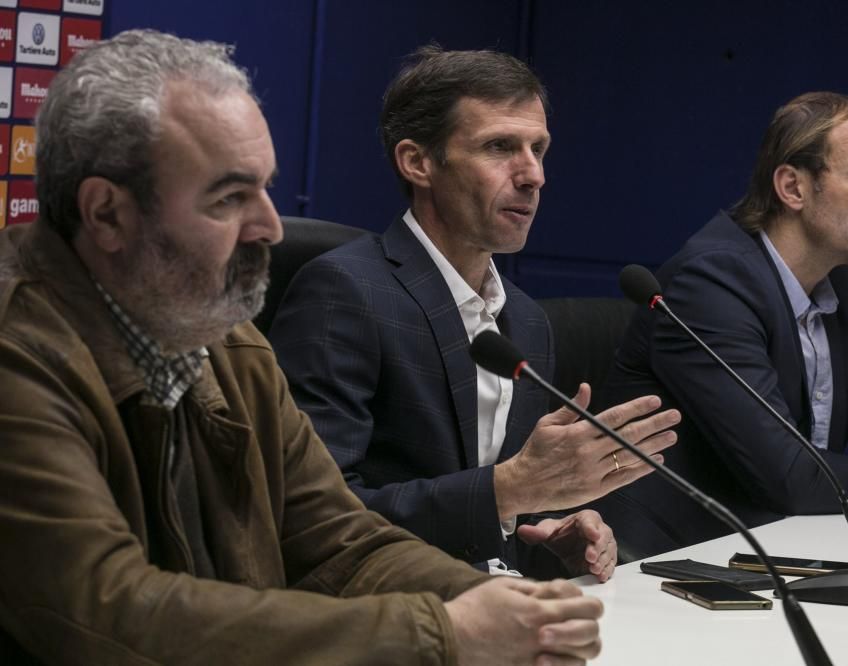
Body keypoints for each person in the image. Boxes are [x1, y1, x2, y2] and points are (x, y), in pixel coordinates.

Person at [0, 30, 605, 665]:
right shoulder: (21, 351)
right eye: (229, 198)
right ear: (107, 214)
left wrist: (503, 608)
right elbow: (106, 610)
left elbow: (338, 537)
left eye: (265, 188)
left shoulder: (226, 339)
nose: (268, 226)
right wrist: (441, 633)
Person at [269, 46, 680, 580]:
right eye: (499, 147)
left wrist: (551, 533)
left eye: (539, 148)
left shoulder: (527, 323)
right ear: (417, 162)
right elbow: (313, 518)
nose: (534, 175)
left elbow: (493, 517)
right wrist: (508, 491)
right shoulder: (345, 294)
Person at [596, 92, 848, 557]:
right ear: (793, 188)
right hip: (667, 565)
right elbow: (789, 477)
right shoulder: (711, 284)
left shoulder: (844, 289)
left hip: (773, 555)